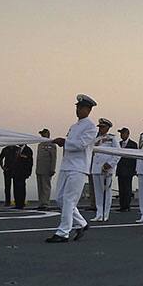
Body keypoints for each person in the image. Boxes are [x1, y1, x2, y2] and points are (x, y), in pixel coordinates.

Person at [46, 94, 98, 243]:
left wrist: (65, 142)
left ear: (88, 110)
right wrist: (65, 142)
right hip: (67, 165)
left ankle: (63, 233)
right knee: (60, 199)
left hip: (78, 167)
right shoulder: (74, 126)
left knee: (69, 200)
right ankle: (81, 223)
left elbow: (81, 144)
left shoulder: (91, 127)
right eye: (77, 107)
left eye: (81, 107)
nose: (78, 110)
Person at [89, 119, 118, 221]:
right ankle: (99, 213)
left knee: (106, 192)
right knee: (98, 193)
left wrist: (110, 164)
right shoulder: (96, 139)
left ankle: (105, 214)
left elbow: (118, 154)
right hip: (96, 168)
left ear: (107, 128)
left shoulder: (112, 139)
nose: (100, 129)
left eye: (102, 127)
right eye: (100, 127)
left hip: (106, 169)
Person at [115, 127, 136, 213]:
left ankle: (127, 205)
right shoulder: (118, 144)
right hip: (120, 170)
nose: (121, 135)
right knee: (121, 189)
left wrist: (134, 169)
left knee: (127, 189)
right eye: (121, 133)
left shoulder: (133, 144)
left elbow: (135, 158)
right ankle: (122, 205)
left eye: (123, 133)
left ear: (127, 134)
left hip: (128, 170)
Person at [8, 143, 33, 210]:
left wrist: (28, 172)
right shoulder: (16, 149)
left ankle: (21, 203)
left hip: (22, 172)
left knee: (21, 188)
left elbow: (30, 162)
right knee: (16, 188)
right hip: (15, 172)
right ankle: (17, 203)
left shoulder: (28, 150)